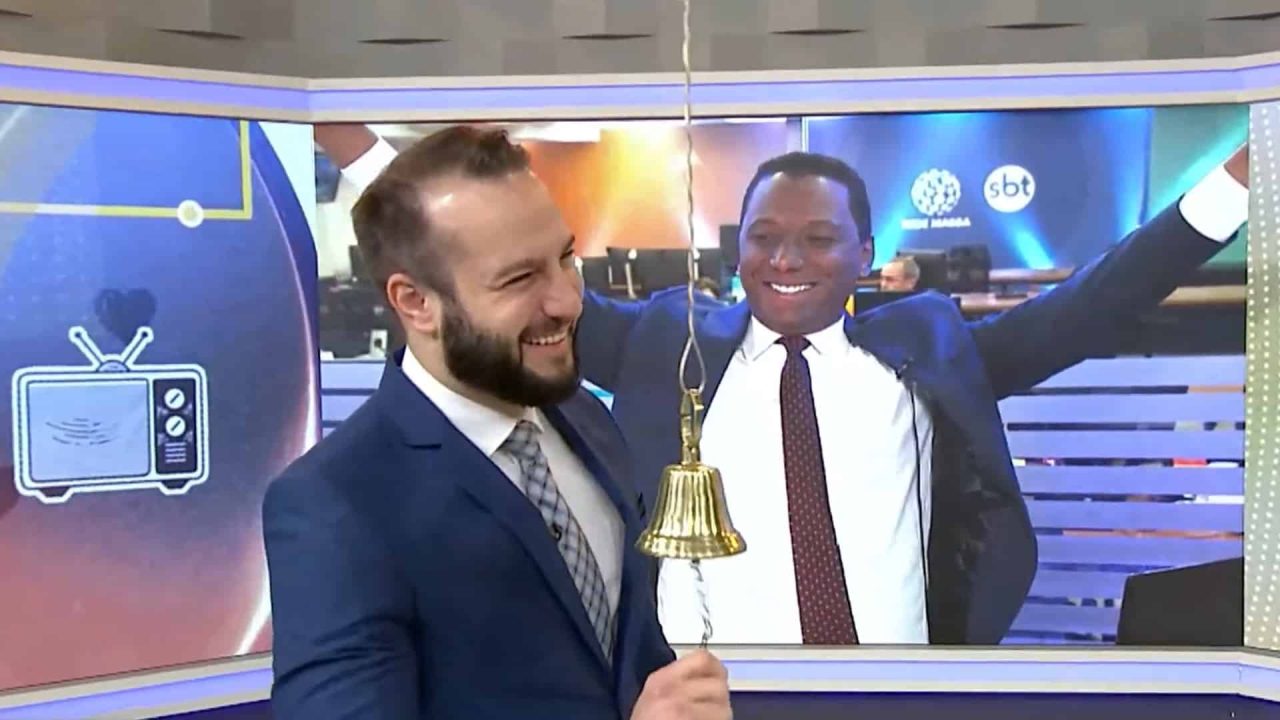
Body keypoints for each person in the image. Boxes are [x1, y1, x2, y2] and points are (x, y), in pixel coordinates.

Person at [315, 124, 1250, 646]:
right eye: (764, 237)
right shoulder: (665, 350)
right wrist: (363, 153)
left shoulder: (924, 350)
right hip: (717, 698)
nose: (785, 259)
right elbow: (479, 247)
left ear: (865, 253)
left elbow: (1095, 303)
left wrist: (1239, 183)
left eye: (815, 238)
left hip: (907, 694)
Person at [264, 126, 733, 719]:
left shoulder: (586, 420)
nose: (566, 301)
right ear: (415, 303)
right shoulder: (335, 505)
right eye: (519, 279)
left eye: (565, 258)